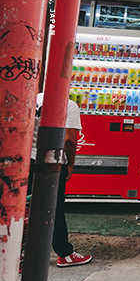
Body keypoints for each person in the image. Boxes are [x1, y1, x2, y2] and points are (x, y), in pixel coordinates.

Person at [31, 93, 93, 267]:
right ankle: (64, 254)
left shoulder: (33, 99)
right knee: (54, 209)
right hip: (52, 164)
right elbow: (70, 140)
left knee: (26, 208)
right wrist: (71, 164)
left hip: (27, 161)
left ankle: (20, 254)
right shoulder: (69, 104)